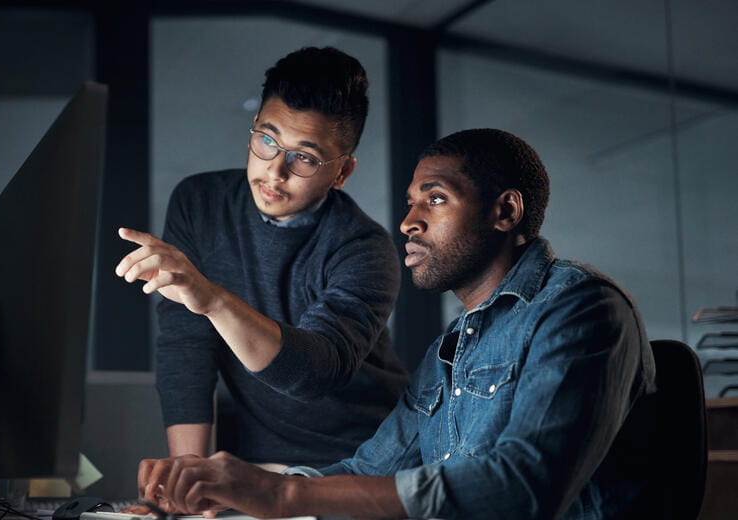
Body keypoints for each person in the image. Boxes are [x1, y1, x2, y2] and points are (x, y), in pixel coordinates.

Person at [131, 128, 657, 519]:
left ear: (506, 211)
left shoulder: (583, 308)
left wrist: (282, 494)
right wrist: (226, 494)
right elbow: (367, 470)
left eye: (435, 198)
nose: (408, 221)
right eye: (409, 203)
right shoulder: (451, 348)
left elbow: (523, 486)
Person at [115, 47, 409, 468]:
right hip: (262, 465)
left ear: (341, 172)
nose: (275, 171)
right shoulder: (200, 203)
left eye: (304, 157)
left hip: (367, 461)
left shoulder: (364, 249)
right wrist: (188, 474)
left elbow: (314, 374)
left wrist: (212, 300)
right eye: (267, 140)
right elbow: (186, 345)